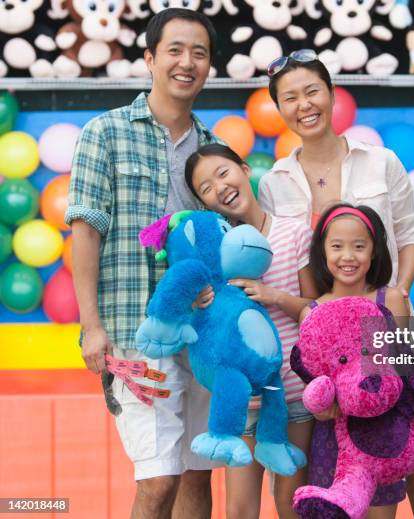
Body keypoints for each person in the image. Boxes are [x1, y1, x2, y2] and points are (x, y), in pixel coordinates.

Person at [259, 52, 414, 518]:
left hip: (384, 323)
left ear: (330, 94)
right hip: (325, 336)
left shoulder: (380, 161)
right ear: (280, 109)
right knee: (343, 463)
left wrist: (396, 296)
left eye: (312, 91)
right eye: (290, 97)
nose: (304, 104)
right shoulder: (274, 182)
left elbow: (407, 235)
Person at [66, 9, 221, 519]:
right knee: (157, 481)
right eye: (175, 50)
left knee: (199, 475)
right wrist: (92, 328)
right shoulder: (104, 132)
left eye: (199, 53)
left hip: (202, 338)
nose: (187, 62)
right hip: (136, 335)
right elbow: (86, 231)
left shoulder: (211, 145)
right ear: (151, 59)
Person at [184, 143, 318, 518]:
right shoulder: (216, 258)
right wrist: (198, 304)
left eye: (223, 173)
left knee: (292, 503)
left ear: (244, 169)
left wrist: (273, 295)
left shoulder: (293, 234)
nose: (219, 187)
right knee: (240, 508)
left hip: (293, 392)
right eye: (206, 188)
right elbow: (207, 327)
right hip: (240, 397)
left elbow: (315, 311)